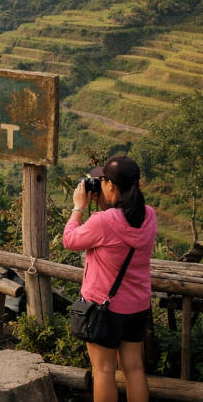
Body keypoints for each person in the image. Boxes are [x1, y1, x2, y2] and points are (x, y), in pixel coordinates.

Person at [64, 155, 157, 402]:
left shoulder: (102, 221)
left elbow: (70, 240)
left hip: (104, 307)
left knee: (103, 371)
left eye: (102, 180)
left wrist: (78, 208)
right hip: (137, 306)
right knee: (134, 368)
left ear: (111, 186)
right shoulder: (149, 215)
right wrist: (106, 205)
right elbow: (121, 223)